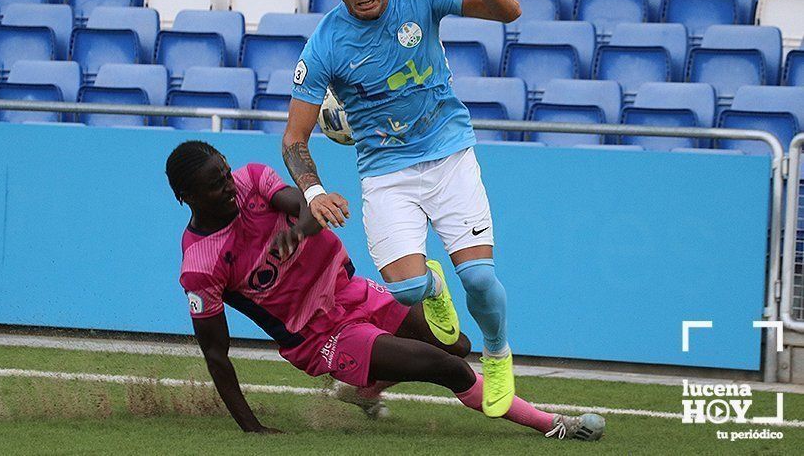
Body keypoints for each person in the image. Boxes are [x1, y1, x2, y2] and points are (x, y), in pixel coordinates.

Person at [165, 141, 605, 441]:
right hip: (322, 338)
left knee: (458, 345)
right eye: (216, 184)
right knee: (443, 366)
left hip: (351, 291)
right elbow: (217, 355)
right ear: (186, 196)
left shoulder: (253, 180)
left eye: (226, 174)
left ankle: (364, 390)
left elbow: (309, 211)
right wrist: (252, 429)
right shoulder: (200, 266)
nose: (228, 187)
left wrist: (297, 230)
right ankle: (553, 424)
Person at [282, 0, 521, 417]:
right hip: (387, 172)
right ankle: (432, 286)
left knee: (478, 279)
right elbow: (294, 140)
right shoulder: (324, 46)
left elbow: (508, 12)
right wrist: (314, 192)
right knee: (408, 290)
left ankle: (497, 355)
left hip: (450, 155)